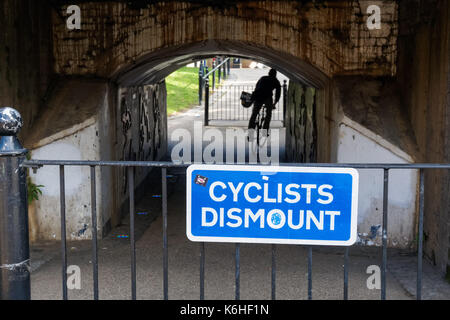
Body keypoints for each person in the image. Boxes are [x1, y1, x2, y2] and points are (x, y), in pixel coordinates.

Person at [248, 68, 281, 136]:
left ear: (268, 73)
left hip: (258, 96)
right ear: (275, 75)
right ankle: (264, 132)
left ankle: (250, 132)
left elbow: (257, 87)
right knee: (268, 114)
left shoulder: (263, 78)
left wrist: (254, 97)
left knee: (254, 114)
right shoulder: (276, 81)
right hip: (267, 98)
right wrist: (274, 103)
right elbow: (278, 94)